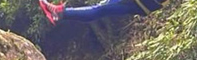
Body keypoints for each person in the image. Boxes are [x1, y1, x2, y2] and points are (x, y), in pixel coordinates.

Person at [39, 0, 168, 25]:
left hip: (145, 3)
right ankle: (61, 12)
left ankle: (59, 12)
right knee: (101, 9)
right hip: (147, 5)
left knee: (101, 9)